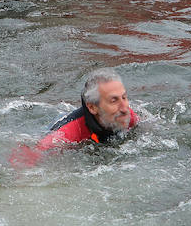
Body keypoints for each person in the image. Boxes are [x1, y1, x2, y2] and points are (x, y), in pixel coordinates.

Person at [10, 70, 143, 166]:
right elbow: (30, 156)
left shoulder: (126, 115)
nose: (124, 107)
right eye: (113, 101)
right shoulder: (64, 137)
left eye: (124, 97)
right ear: (92, 107)